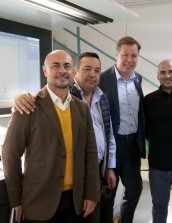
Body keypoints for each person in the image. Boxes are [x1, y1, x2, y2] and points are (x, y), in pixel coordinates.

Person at [14, 52, 117, 223]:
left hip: (81, 189)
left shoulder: (93, 102)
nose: (62, 70)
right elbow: (11, 154)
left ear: (72, 70)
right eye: (56, 65)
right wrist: (15, 198)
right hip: (42, 197)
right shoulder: (31, 105)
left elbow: (99, 143)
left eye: (97, 70)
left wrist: (104, 174)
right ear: (45, 70)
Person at [99, 36, 146, 223]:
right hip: (112, 145)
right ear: (116, 54)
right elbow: (76, 88)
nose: (129, 59)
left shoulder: (138, 79)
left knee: (135, 189)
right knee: (108, 193)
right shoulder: (103, 79)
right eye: (125, 54)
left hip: (132, 145)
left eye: (134, 55)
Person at [143, 59, 172, 223]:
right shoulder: (148, 101)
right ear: (157, 76)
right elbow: (146, 131)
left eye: (171, 71)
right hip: (158, 167)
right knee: (159, 206)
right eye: (163, 72)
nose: (167, 76)